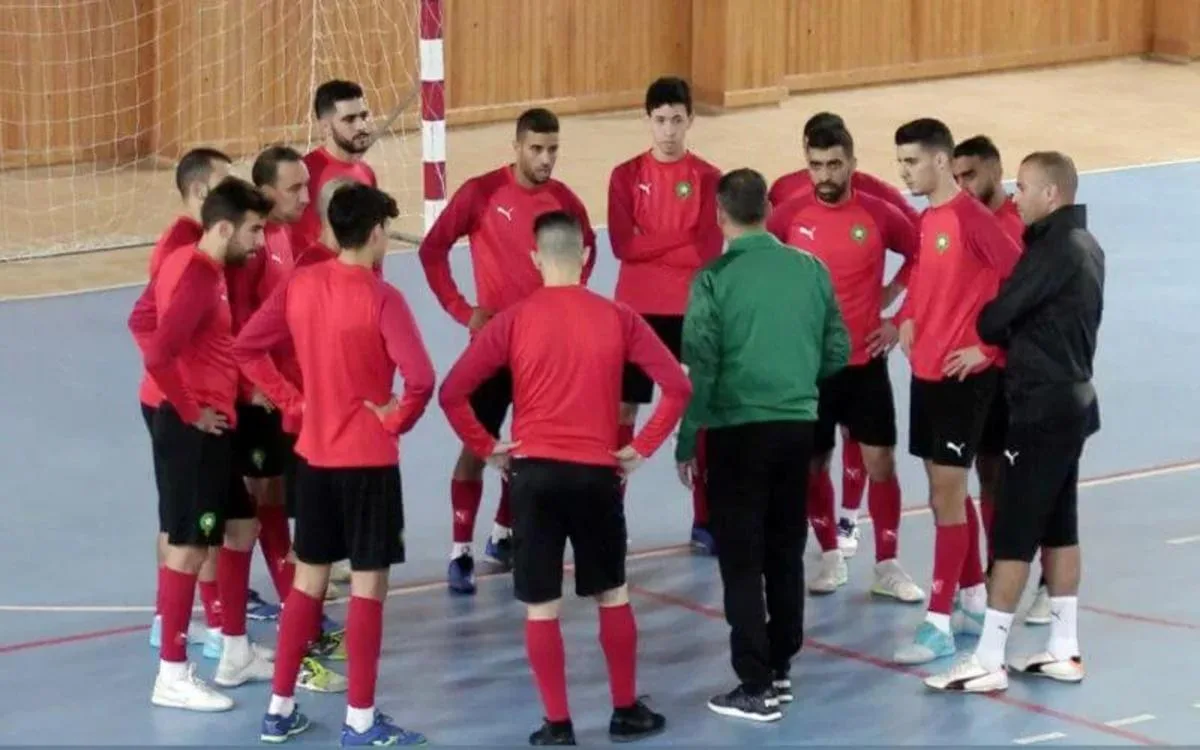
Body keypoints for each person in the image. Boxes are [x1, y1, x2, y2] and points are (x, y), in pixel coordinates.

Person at [438, 210, 688, 745]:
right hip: (597, 476)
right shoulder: (618, 316)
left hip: (533, 476)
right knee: (612, 594)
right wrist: (642, 446)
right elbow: (677, 388)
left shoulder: (513, 320)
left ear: (535, 259)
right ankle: (625, 711)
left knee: (541, 606)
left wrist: (487, 447)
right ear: (585, 257)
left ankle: (558, 724)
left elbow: (452, 391)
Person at [233, 183, 435, 745]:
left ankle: (278, 710)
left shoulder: (301, 284)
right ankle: (360, 721)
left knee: (307, 582)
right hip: (368, 462)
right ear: (375, 234)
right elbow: (421, 379)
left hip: (315, 457)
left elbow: (247, 347)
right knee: (369, 587)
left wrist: (293, 401)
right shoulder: (383, 297)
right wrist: (395, 418)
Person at [925, 151, 1103, 692]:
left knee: (1014, 532)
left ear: (1051, 193)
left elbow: (993, 318)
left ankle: (988, 659)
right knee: (1060, 527)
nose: (1015, 196)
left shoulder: (1052, 250)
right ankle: (1063, 648)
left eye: (1023, 187)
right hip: (1073, 404)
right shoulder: (1087, 244)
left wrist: (992, 318)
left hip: (1040, 411)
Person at [677, 168, 850, 722]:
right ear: (769, 211)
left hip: (736, 431)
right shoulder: (811, 268)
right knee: (784, 549)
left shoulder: (712, 278)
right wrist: (793, 380)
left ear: (719, 215)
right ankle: (779, 667)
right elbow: (838, 350)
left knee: (742, 559)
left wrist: (687, 438)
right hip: (796, 427)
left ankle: (753, 684)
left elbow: (701, 366)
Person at [418, 107, 596, 595]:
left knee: (529, 447)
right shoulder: (481, 193)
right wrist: (462, 309)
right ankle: (460, 550)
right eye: (536, 149)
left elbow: (587, 250)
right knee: (477, 446)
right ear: (515, 147)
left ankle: (502, 534)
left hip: (544, 351)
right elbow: (432, 250)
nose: (546, 159)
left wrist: (567, 305)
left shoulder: (565, 201)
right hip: (493, 348)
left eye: (553, 149)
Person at [765, 125, 922, 602]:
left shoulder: (878, 213)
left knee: (881, 462)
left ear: (852, 162)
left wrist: (897, 311)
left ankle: (887, 564)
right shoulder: (789, 216)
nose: (825, 175)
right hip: (810, 368)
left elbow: (924, 253)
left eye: (834, 164)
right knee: (813, 464)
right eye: (816, 165)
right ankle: (830, 555)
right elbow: (757, 265)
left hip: (865, 362)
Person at [138, 176, 274, 711]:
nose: (260, 242)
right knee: (190, 547)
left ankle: (235, 651)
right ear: (223, 228)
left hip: (216, 422)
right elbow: (158, 353)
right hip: (193, 429)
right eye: (254, 231)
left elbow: (141, 319)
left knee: (241, 526)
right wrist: (191, 408)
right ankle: (172, 675)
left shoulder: (202, 267)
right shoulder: (197, 276)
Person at [890, 118, 1022, 665]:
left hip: (963, 377)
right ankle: (971, 599)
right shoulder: (929, 219)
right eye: (901, 162)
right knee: (941, 492)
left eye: (912, 162)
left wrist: (988, 350)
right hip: (926, 371)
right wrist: (907, 316)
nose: (904, 172)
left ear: (940, 161)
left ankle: (938, 622)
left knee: (948, 492)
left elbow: (1021, 280)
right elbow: (924, 276)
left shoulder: (971, 218)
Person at [607, 76, 723, 554]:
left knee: (700, 408)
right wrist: (682, 240)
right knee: (622, 410)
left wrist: (650, 244)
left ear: (690, 119)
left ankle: (704, 517)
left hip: (689, 311)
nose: (669, 130)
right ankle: (612, 517)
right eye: (660, 120)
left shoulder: (709, 178)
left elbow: (707, 249)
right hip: (635, 314)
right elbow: (622, 244)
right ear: (648, 120)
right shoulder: (624, 175)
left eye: (677, 120)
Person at [127, 147, 231, 655]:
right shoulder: (184, 251)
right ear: (200, 191)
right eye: (225, 184)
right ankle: (206, 624)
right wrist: (181, 386)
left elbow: (142, 319)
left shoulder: (191, 241)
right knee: (191, 526)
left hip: (170, 396)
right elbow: (149, 327)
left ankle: (167, 617)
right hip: (182, 403)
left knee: (178, 518)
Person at [952, 134, 1051, 625]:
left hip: (1020, 375)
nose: (963, 186)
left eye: (970, 174)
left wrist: (991, 349)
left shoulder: (1024, 226)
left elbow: (1034, 306)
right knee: (985, 473)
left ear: (996, 169)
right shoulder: (961, 221)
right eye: (956, 177)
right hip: (978, 376)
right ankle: (993, 572)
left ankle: (1045, 582)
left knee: (1026, 479)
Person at [293, 80, 379, 250]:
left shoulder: (367, 172)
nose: (361, 126)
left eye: (363, 116)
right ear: (326, 127)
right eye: (349, 119)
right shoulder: (305, 173)